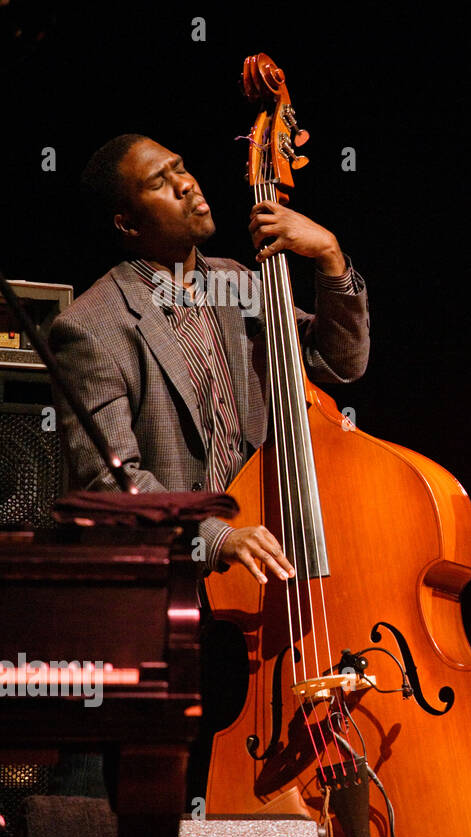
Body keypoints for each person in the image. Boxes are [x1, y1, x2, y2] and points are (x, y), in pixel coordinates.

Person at [50, 133, 370, 584]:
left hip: (261, 568)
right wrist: (216, 538)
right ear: (128, 224)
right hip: (172, 583)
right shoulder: (92, 327)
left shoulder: (236, 282)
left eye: (180, 167)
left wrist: (330, 258)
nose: (185, 185)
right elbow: (110, 479)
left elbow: (338, 361)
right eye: (159, 182)